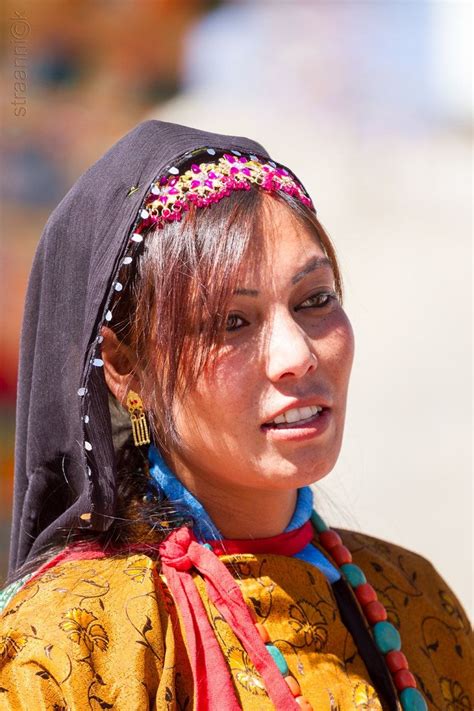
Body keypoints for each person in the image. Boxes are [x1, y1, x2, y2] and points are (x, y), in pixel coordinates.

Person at [0, 120, 471, 711]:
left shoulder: (416, 602)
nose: (297, 356)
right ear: (128, 371)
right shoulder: (70, 642)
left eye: (315, 300)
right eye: (231, 322)